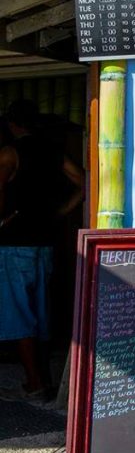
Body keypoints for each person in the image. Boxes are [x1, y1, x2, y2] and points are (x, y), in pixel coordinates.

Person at [0, 99, 83, 399]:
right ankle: (45, 379)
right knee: (41, 310)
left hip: (13, 244)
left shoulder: (9, 154)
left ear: (12, 124)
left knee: (18, 314)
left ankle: (35, 382)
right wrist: (60, 213)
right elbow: (82, 183)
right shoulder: (54, 152)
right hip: (44, 243)